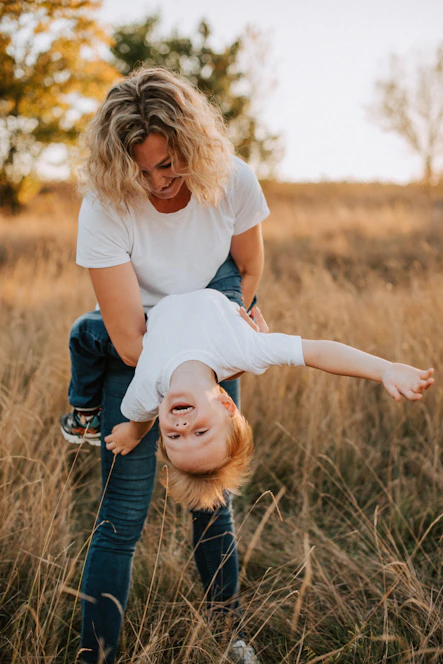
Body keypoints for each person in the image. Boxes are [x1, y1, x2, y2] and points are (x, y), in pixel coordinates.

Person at [68, 66, 268, 664]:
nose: (156, 181)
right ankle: (96, 654)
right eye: (140, 168)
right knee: (120, 520)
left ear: (195, 145)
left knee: (211, 499)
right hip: (139, 359)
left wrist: (230, 321)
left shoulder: (233, 180)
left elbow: (249, 270)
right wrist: (202, 329)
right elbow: (131, 344)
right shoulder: (105, 205)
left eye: (169, 163)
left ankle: (228, 634)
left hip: (211, 348)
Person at [102, 288, 434, 511]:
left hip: (155, 292)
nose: (183, 426)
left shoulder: (146, 389)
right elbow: (316, 351)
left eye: (174, 436)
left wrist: (132, 434)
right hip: (218, 281)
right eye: (200, 433)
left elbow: (139, 418)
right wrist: (384, 369)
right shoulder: (246, 350)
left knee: (84, 335)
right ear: (226, 405)